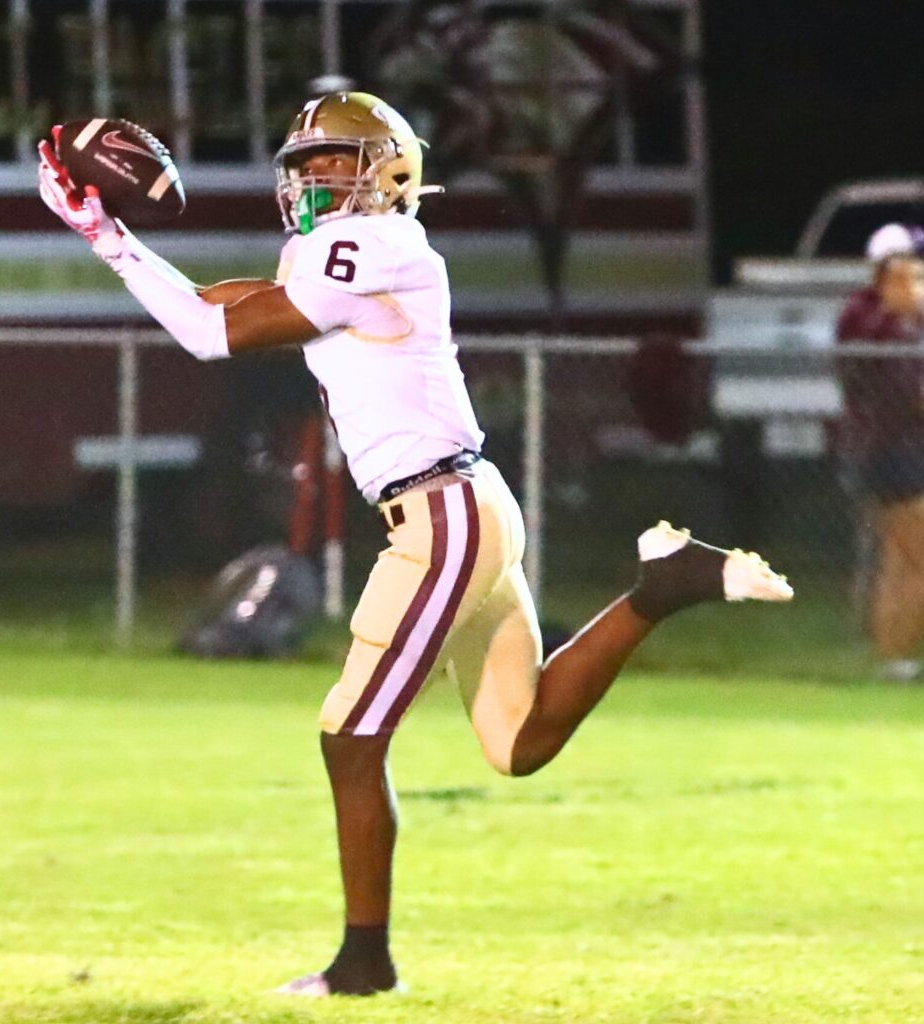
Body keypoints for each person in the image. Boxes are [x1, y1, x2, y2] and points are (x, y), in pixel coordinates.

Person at [38, 91, 793, 996]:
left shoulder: (378, 242)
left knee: (350, 737)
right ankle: (662, 586)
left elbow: (213, 333)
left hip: (442, 520)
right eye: (305, 164)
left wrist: (107, 240)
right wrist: (107, 230)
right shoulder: (330, 252)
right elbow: (210, 303)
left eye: (336, 160)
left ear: (390, 170)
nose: (316, 178)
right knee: (517, 742)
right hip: (467, 505)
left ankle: (365, 962)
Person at [837, 225, 924, 682]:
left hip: (897, 448)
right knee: (917, 556)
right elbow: (906, 393)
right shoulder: (870, 317)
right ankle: (897, 656)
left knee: (900, 559)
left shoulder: (893, 317)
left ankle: (896, 660)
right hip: (887, 449)